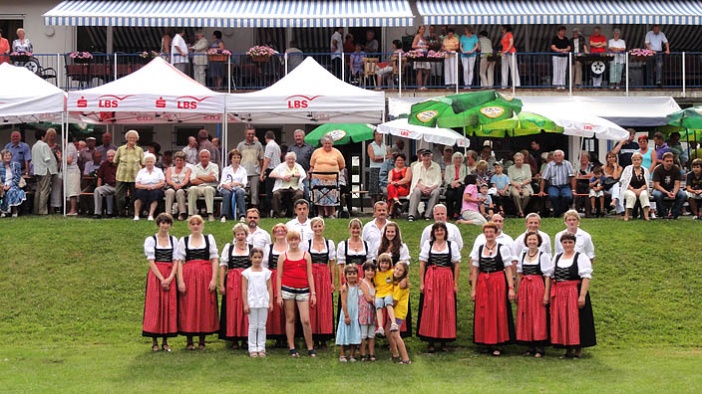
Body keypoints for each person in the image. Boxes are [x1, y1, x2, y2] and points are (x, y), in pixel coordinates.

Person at [470, 222, 515, 356]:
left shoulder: (502, 248)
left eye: (491, 232)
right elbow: (475, 270)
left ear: (496, 234)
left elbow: (507, 268)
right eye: (487, 232)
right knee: (484, 311)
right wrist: (473, 289)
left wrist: (511, 287)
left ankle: (498, 343)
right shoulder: (479, 249)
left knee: (498, 311)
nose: (489, 234)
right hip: (483, 281)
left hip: (498, 281)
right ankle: (485, 342)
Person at [175, 215, 219, 350]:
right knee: (189, 305)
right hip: (189, 276)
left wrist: (213, 279)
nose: (195, 226)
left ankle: (202, 340)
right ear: (189, 226)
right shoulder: (184, 240)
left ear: (202, 225)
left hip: (205, 275)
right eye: (193, 224)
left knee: (204, 304)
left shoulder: (209, 239)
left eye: (198, 223)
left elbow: (215, 259)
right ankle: (189, 340)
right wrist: (180, 281)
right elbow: (179, 262)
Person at [550, 232, 596, 358]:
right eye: (565, 242)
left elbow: (586, 277)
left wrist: (582, 296)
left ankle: (578, 349)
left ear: (574, 243)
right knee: (563, 319)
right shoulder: (557, 257)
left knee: (576, 319)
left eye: (570, 242)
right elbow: (551, 275)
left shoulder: (581, 257)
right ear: (561, 244)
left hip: (574, 291)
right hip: (560, 292)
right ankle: (567, 348)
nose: (567, 245)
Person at [417, 222, 460, 353]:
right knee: (430, 307)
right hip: (431, 278)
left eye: (441, 230)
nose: (439, 232)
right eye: (437, 230)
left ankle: (444, 341)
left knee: (445, 307)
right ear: (433, 233)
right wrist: (422, 282)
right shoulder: (428, 245)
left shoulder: (451, 245)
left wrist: (455, 283)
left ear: (445, 232)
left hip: (446, 278)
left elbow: (456, 264)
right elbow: (422, 264)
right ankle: (430, 341)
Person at [142, 213, 179, 352]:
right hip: (156, 275)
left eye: (167, 223)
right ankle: (154, 341)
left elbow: (176, 260)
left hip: (169, 273)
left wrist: (170, 278)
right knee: (155, 306)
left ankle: (165, 341)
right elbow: (151, 261)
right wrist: (161, 278)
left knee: (168, 306)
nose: (165, 225)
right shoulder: (151, 240)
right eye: (163, 223)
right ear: (158, 224)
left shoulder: (174, 240)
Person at [277, 229, 317, 357]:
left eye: (296, 239)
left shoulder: (306, 255)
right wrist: (279, 294)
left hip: (303, 290)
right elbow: (279, 276)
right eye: (291, 239)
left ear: (299, 240)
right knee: (290, 318)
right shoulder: (283, 256)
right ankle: (292, 347)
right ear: (288, 241)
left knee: (305, 320)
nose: (293, 242)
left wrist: (313, 293)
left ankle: (310, 347)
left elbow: (310, 275)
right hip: (287, 289)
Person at [515, 231, 552, 358]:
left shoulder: (543, 255)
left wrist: (546, 294)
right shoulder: (523, 254)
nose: (532, 242)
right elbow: (519, 274)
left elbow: (547, 276)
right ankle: (529, 345)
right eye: (530, 240)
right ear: (526, 241)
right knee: (526, 314)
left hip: (537, 286)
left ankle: (539, 346)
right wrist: (517, 291)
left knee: (538, 314)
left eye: (534, 240)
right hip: (525, 286)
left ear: (538, 241)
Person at [218, 223, 252, 349]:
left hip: (248, 281)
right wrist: (221, 284)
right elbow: (223, 267)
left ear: (246, 235)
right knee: (233, 307)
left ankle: (246, 337)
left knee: (246, 306)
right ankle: (234, 337)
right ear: (234, 235)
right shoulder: (229, 248)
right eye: (238, 234)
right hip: (232, 280)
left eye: (242, 234)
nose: (240, 236)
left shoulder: (251, 248)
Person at [306, 217, 335, 348]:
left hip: (324, 274)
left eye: (320, 226)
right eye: (315, 226)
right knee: (313, 304)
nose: (318, 229)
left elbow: (332, 264)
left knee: (324, 304)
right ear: (312, 228)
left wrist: (333, 282)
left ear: (323, 228)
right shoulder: (307, 243)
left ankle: (324, 335)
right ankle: (314, 336)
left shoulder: (329, 244)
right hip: (311, 274)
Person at [241, 247, 272, 358]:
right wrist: (245, 303)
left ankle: (261, 347)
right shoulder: (246, 273)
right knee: (253, 325)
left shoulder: (266, 272)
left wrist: (270, 302)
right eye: (255, 257)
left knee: (262, 325)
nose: (257, 260)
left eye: (259, 257)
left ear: (262, 258)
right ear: (251, 258)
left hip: (263, 301)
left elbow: (269, 287)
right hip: (252, 302)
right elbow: (244, 289)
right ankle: (252, 348)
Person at [309, 135, 345, 218]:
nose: (327, 145)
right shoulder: (317, 152)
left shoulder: (337, 152)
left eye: (329, 143)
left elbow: (342, 165)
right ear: (322, 144)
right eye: (325, 143)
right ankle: (320, 214)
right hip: (318, 178)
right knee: (319, 196)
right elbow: (312, 165)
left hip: (332, 178)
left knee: (331, 196)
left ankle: (331, 214)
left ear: (332, 143)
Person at [336, 218, 375, 291]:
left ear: (361, 229)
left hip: (363, 276)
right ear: (350, 229)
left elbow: (370, 264)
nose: (355, 230)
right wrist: (341, 284)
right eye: (353, 228)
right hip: (349, 275)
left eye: (358, 228)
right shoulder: (343, 245)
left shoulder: (367, 245)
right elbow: (341, 266)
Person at [114, 130, 144, 218]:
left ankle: (132, 213)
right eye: (130, 138)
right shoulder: (120, 149)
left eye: (134, 138)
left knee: (134, 196)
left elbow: (143, 163)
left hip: (135, 177)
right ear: (126, 138)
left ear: (137, 139)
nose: (132, 139)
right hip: (121, 176)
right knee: (119, 196)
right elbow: (115, 161)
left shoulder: (139, 150)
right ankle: (121, 213)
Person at [336, 265, 362, 362]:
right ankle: (342, 354)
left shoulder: (357, 287)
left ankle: (352, 354)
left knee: (354, 333)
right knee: (344, 332)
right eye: (349, 274)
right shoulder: (344, 287)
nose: (352, 276)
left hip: (355, 313)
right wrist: (346, 315)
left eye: (354, 273)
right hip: (347, 312)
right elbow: (343, 302)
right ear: (345, 275)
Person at [538, 149, 575, 218]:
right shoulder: (549, 165)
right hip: (553, 186)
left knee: (568, 197)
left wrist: (573, 190)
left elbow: (572, 177)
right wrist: (541, 191)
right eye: (556, 156)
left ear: (563, 157)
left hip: (565, 186)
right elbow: (544, 179)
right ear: (553, 157)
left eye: (559, 156)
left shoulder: (568, 164)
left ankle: (559, 212)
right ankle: (558, 212)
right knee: (553, 196)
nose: (557, 157)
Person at [408, 149, 442, 222]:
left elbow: (438, 181)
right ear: (421, 157)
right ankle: (411, 215)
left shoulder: (437, 166)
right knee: (416, 191)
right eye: (424, 156)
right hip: (420, 187)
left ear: (431, 156)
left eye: (428, 156)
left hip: (432, 188)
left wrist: (430, 188)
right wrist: (423, 188)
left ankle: (428, 215)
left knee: (436, 193)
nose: (426, 158)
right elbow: (415, 181)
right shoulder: (417, 166)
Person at [269, 152, 305, 219]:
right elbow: (271, 174)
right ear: (286, 159)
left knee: (299, 194)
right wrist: (283, 177)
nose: (291, 161)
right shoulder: (281, 166)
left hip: (295, 187)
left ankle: (296, 214)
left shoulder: (298, 166)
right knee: (276, 194)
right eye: (289, 159)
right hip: (282, 186)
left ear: (295, 160)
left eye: (292, 159)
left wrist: (292, 175)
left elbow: (303, 174)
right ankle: (277, 214)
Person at [388, 262, 412, 364]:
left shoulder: (401, 285)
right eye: (396, 269)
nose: (397, 271)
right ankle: (395, 354)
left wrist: (387, 306)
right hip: (395, 311)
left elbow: (395, 302)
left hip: (397, 312)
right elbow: (387, 280)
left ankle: (406, 358)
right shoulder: (397, 281)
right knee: (387, 331)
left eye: (400, 270)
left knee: (395, 334)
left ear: (404, 273)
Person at [31, 130, 57, 215]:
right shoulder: (44, 145)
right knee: (44, 191)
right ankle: (42, 210)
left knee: (38, 190)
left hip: (37, 170)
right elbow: (47, 158)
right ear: (42, 136)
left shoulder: (34, 146)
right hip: (45, 169)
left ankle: (36, 209)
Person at [237, 127, 264, 210]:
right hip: (243, 172)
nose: (251, 135)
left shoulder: (258, 145)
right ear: (245, 134)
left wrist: (261, 172)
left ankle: (254, 210)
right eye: (249, 134)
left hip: (255, 172)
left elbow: (261, 159)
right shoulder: (240, 145)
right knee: (241, 191)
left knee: (254, 193)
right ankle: (241, 210)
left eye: (252, 134)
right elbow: (237, 158)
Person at [188, 150, 219, 222]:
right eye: (202, 157)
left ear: (209, 158)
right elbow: (192, 181)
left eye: (206, 157)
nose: (204, 158)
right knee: (192, 188)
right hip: (198, 187)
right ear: (199, 158)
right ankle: (190, 214)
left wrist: (198, 176)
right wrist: (207, 177)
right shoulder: (195, 167)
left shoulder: (214, 166)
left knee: (208, 189)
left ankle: (210, 214)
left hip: (211, 187)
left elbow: (213, 178)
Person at [652, 152, 685, 219]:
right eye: (667, 161)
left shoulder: (676, 169)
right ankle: (663, 214)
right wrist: (667, 193)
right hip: (660, 189)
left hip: (672, 189)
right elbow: (656, 185)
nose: (669, 163)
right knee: (658, 195)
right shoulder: (657, 169)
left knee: (682, 195)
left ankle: (674, 214)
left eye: (671, 161)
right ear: (663, 161)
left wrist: (674, 193)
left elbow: (677, 183)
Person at [620, 151, 651, 221]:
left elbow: (647, 183)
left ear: (641, 160)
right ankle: (627, 215)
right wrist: (632, 189)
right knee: (631, 195)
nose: (636, 161)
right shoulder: (627, 169)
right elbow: (624, 182)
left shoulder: (645, 170)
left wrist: (641, 189)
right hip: (629, 189)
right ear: (632, 161)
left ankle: (646, 216)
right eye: (634, 160)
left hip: (641, 189)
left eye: (638, 160)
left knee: (644, 194)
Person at [133, 153, 165, 221]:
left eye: (151, 161)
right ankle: (136, 215)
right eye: (147, 162)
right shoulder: (141, 171)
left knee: (155, 194)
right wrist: (146, 187)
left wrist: (154, 186)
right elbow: (137, 184)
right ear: (145, 163)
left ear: (154, 162)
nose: (149, 163)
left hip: (155, 188)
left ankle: (150, 215)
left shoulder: (158, 171)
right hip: (143, 188)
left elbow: (162, 183)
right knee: (139, 194)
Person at [218, 149, 247, 223]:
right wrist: (226, 186)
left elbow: (244, 183)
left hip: (238, 187)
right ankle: (224, 215)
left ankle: (242, 216)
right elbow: (222, 182)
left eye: (238, 157)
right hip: (226, 187)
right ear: (231, 159)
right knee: (227, 193)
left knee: (239, 193)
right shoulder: (226, 169)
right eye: (234, 157)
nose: (236, 159)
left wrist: (237, 184)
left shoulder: (243, 170)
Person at [373, 253, 398, 338]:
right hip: (379, 293)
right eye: (382, 263)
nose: (384, 265)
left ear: (390, 264)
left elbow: (397, 280)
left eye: (386, 263)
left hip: (389, 292)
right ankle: (380, 327)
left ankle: (394, 323)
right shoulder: (376, 273)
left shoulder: (392, 272)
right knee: (378, 305)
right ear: (379, 263)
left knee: (388, 302)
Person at [164, 151, 191, 221]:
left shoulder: (187, 169)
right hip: (171, 186)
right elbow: (168, 179)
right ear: (174, 161)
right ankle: (168, 214)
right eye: (177, 160)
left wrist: (181, 185)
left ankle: (182, 213)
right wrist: (174, 184)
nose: (179, 162)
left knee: (180, 192)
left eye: (181, 160)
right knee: (170, 192)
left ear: (184, 161)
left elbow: (186, 179)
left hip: (183, 187)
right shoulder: (170, 169)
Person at [358, 261, 377, 362]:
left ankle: (371, 353)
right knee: (363, 334)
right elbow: (368, 298)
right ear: (364, 271)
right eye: (368, 270)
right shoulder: (363, 283)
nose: (370, 272)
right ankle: (362, 353)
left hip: (373, 311)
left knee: (372, 334)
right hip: (365, 311)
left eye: (372, 270)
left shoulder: (374, 283)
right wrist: (378, 302)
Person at [91, 149, 117, 219]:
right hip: (108, 185)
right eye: (109, 156)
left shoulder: (120, 164)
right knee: (97, 190)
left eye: (112, 156)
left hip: (119, 186)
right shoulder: (104, 164)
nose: (110, 158)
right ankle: (97, 213)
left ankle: (115, 213)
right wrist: (99, 187)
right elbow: (100, 177)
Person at [0, 149, 26, 217]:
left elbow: (17, 178)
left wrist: (10, 185)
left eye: (9, 155)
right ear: (2, 157)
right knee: (1, 192)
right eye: (6, 155)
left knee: (11, 191)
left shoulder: (15, 165)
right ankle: (2, 211)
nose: (7, 157)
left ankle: (14, 210)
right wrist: (2, 186)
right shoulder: (0, 166)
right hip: (2, 185)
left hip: (13, 185)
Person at [288, 129, 314, 197]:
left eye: (299, 136)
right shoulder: (291, 148)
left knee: (308, 193)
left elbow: (313, 162)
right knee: (292, 194)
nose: (298, 138)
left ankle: (309, 207)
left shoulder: (310, 147)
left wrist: (310, 172)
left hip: (306, 174)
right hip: (293, 174)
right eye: (296, 136)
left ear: (303, 136)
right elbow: (286, 161)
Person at [386, 153, 412, 218]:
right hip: (394, 188)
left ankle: (391, 212)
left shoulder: (408, 169)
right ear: (395, 161)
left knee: (390, 190)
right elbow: (389, 180)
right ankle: (396, 200)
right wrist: (392, 182)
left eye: (401, 160)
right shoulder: (391, 171)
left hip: (403, 188)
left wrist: (397, 183)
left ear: (404, 161)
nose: (400, 161)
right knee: (390, 186)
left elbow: (407, 179)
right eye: (398, 160)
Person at [508, 152, 533, 218]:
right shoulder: (510, 168)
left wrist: (521, 184)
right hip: (514, 185)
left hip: (525, 184)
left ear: (523, 160)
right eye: (517, 160)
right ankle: (521, 212)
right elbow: (510, 180)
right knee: (516, 195)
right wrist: (517, 186)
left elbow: (529, 179)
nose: (518, 162)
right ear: (514, 160)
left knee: (526, 195)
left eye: (520, 160)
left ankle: (520, 211)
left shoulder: (527, 166)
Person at [444, 151, 468, 220]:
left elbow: (465, 178)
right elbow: (446, 178)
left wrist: (457, 182)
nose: (458, 160)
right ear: (453, 159)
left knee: (460, 191)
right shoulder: (448, 167)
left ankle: (456, 212)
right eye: (456, 158)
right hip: (451, 185)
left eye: (460, 158)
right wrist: (452, 183)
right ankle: (449, 213)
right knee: (449, 194)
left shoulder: (465, 168)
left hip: (460, 185)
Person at [368, 131, 389, 205]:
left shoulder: (385, 146)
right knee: (374, 190)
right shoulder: (371, 145)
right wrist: (383, 158)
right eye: (377, 134)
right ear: (374, 136)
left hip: (384, 168)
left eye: (380, 134)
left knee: (383, 188)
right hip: (374, 168)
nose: (379, 136)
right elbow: (373, 158)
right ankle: (374, 208)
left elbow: (389, 157)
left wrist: (379, 158)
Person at [64, 137, 81, 216]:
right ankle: (72, 209)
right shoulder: (70, 146)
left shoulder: (70, 147)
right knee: (70, 191)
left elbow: (69, 161)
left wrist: (61, 157)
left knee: (72, 191)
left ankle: (73, 209)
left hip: (72, 171)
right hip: (70, 171)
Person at [551, 26, 571, 90]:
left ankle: (562, 84)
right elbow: (553, 47)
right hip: (556, 56)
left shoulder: (566, 39)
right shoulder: (555, 38)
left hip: (564, 57)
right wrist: (559, 50)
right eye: (562, 31)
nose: (563, 32)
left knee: (563, 70)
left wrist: (565, 50)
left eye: (564, 31)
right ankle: (556, 84)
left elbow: (569, 47)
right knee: (557, 70)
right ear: (559, 32)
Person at [412, 25, 430, 90]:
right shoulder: (417, 37)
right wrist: (422, 47)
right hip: (419, 54)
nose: (423, 30)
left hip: (425, 54)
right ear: (419, 30)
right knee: (419, 69)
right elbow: (413, 46)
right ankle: (419, 86)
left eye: (424, 29)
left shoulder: (424, 38)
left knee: (428, 69)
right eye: (422, 29)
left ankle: (424, 84)